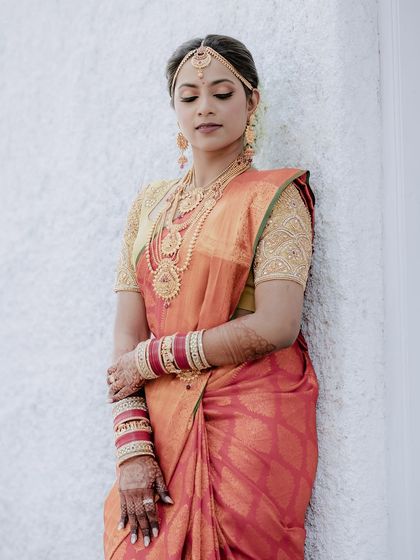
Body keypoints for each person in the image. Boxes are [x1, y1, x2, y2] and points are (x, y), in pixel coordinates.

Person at [103, 34, 318, 560]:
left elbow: (275, 325)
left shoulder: (275, 197)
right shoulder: (148, 206)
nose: (205, 108)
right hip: (161, 424)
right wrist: (131, 447)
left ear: (253, 102)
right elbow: (125, 337)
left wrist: (153, 357)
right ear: (174, 107)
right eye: (189, 95)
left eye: (223, 93)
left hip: (247, 422)